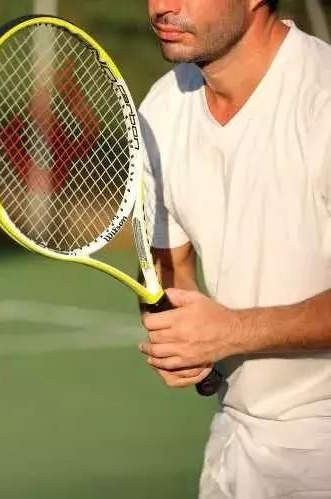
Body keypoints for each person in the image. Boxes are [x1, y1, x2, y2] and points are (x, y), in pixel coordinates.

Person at [137, 0, 331, 497]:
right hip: (235, 440)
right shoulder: (162, 107)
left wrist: (231, 332)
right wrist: (185, 339)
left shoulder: (322, 99)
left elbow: (227, 331)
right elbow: (170, 267)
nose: (162, 6)